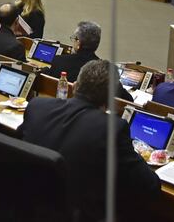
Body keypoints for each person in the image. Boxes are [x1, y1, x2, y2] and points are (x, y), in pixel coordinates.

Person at [19, 60, 161, 222]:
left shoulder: (38, 106)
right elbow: (149, 187)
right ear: (110, 100)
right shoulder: (113, 128)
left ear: (75, 85)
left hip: (28, 204)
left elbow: (17, 142)